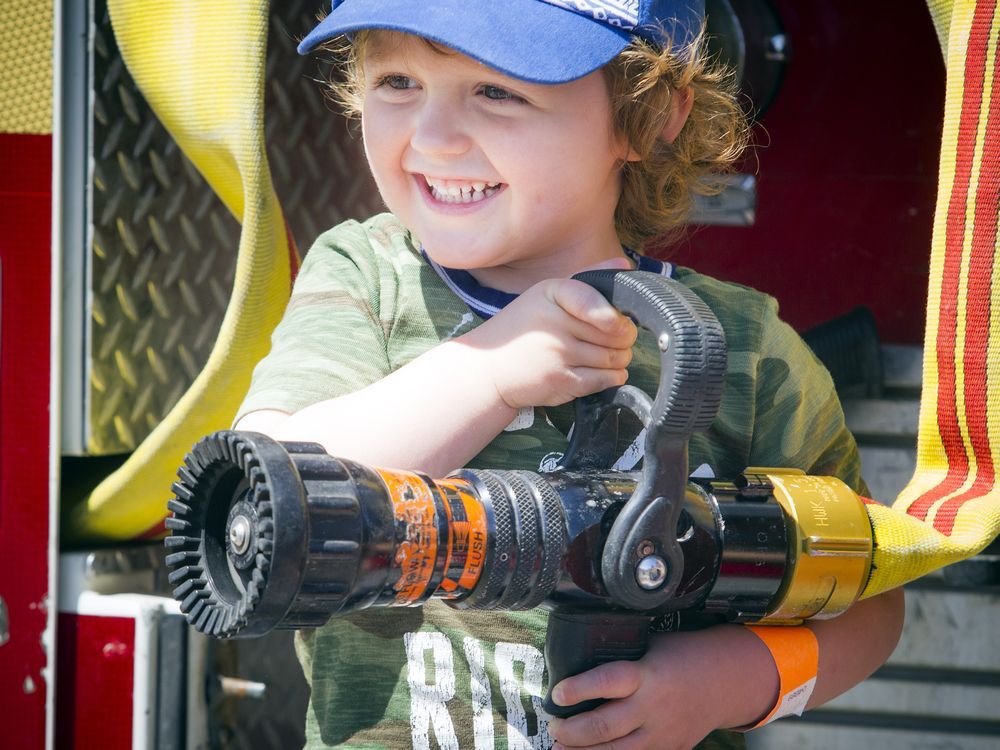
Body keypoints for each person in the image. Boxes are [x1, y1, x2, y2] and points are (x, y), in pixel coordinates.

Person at [235, 1, 905, 748]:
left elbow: (871, 599)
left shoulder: (746, 350)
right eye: (397, 81)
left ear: (648, 118)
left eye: (499, 91)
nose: (431, 137)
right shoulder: (367, 279)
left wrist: (721, 683)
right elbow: (268, 497)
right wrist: (489, 375)